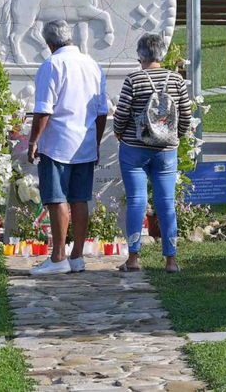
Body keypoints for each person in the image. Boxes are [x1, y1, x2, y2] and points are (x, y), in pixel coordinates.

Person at [26, 20, 108, 276]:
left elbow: (44, 109)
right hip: (85, 140)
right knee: (80, 199)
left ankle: (58, 257)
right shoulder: (92, 64)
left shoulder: (52, 64)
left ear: (49, 43)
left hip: (58, 142)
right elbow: (102, 112)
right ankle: (77, 256)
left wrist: (33, 141)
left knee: (57, 198)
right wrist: (96, 142)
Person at [113, 33, 192, 274]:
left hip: (134, 148)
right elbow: (186, 115)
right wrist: (174, 136)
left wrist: (119, 133)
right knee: (166, 203)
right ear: (162, 54)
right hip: (166, 150)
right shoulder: (176, 79)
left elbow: (121, 114)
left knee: (137, 201)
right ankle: (171, 260)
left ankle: (133, 258)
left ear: (140, 55)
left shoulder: (134, 80)